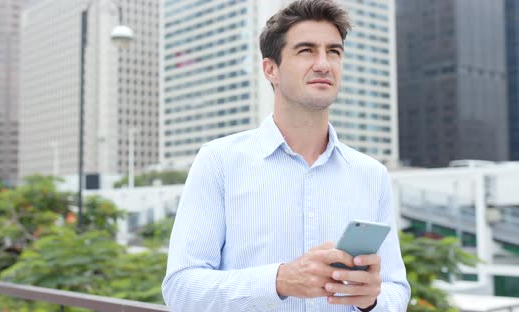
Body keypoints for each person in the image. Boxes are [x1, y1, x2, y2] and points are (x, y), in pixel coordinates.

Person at [161, 0, 411, 311]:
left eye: (333, 51)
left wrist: (372, 301)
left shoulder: (372, 173)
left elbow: (396, 289)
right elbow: (180, 290)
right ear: (271, 69)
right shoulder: (219, 162)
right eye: (306, 50)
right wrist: (279, 281)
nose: (323, 64)